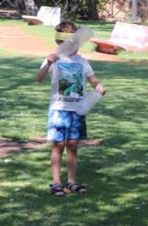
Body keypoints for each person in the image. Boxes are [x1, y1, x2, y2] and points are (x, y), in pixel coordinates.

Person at [36, 22, 106, 196]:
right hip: (59, 109)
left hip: (78, 110)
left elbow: (93, 79)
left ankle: (72, 181)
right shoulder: (53, 58)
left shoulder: (82, 61)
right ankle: (56, 183)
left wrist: (98, 87)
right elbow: (39, 78)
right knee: (58, 145)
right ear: (60, 43)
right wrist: (47, 64)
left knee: (73, 145)